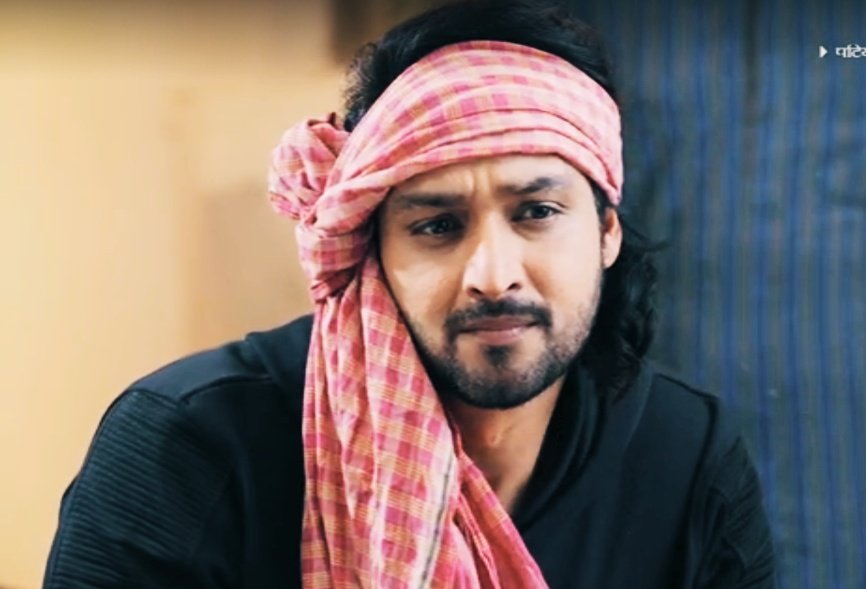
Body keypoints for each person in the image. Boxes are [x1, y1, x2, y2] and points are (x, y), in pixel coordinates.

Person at [42, 1, 775, 587]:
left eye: (537, 212)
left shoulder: (685, 456)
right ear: (373, 250)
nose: (493, 273)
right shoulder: (191, 444)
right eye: (437, 225)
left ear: (607, 232)